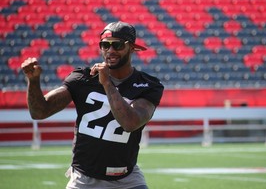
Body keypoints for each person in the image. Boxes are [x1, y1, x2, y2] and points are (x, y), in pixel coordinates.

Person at [21, 21, 164, 189]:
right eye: (105, 45)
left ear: (132, 47)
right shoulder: (83, 78)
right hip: (84, 179)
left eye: (117, 45)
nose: (110, 50)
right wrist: (33, 81)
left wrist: (107, 84)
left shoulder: (148, 85)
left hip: (127, 177)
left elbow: (130, 123)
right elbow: (39, 112)